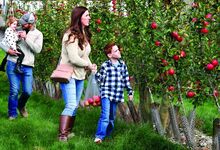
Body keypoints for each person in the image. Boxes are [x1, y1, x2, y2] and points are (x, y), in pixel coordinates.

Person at [58, 6, 97, 142]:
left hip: (80, 75)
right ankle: (62, 136)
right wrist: (87, 65)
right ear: (79, 17)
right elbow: (74, 58)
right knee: (71, 105)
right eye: (87, 15)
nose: (89, 17)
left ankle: (68, 132)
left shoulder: (83, 34)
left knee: (74, 105)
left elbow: (84, 55)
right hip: (68, 75)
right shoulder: (70, 35)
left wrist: (91, 65)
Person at [0, 12, 43, 120]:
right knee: (14, 90)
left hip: (28, 66)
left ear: (30, 23)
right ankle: (12, 114)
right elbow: (2, 42)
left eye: (24, 24)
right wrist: (8, 50)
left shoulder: (38, 34)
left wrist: (26, 38)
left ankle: (21, 105)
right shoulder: (15, 28)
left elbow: (38, 49)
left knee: (27, 91)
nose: (21, 25)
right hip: (13, 63)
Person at [94, 42, 133, 143]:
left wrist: (130, 91)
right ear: (109, 55)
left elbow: (125, 79)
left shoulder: (122, 65)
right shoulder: (105, 65)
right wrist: (95, 73)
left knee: (111, 118)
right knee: (105, 116)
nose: (119, 51)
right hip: (106, 93)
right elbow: (100, 79)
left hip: (116, 94)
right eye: (116, 50)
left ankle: (106, 135)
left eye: (118, 49)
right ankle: (99, 137)